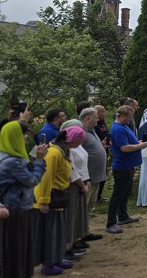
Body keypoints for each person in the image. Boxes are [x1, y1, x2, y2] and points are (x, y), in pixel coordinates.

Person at [34, 124, 86, 276]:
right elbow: (45, 177)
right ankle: (48, 263)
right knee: (51, 232)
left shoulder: (64, 151)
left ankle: (57, 258)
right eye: (79, 142)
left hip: (60, 197)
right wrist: (44, 200)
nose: (79, 145)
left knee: (59, 232)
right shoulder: (54, 154)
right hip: (51, 198)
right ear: (72, 141)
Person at [0, 116, 47, 278]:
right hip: (17, 211)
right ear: (14, 136)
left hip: (11, 208)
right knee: (17, 251)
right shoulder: (13, 162)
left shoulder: (4, 156)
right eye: (23, 135)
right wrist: (40, 160)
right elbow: (32, 180)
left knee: (11, 251)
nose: (25, 138)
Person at [107, 105, 146, 234]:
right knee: (117, 194)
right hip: (122, 166)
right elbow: (124, 148)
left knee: (125, 192)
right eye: (128, 118)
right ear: (122, 116)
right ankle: (111, 222)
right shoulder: (118, 129)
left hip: (128, 165)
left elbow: (129, 142)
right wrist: (139, 146)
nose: (130, 121)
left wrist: (136, 142)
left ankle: (123, 216)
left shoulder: (123, 127)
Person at [59, 119, 90, 261]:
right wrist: (82, 184)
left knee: (77, 215)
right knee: (70, 217)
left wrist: (86, 180)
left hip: (80, 182)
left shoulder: (74, 147)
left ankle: (73, 243)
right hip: (73, 184)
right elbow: (71, 169)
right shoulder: (66, 150)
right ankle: (66, 249)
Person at [78, 107, 105, 241]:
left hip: (96, 176)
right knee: (83, 207)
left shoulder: (92, 130)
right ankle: (79, 235)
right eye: (95, 117)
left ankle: (85, 231)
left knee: (90, 206)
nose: (98, 119)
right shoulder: (81, 132)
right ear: (87, 119)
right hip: (88, 177)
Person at [93, 105, 110, 202]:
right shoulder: (95, 124)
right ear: (97, 112)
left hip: (105, 150)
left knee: (104, 174)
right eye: (103, 111)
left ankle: (99, 196)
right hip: (98, 151)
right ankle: (95, 196)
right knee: (98, 176)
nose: (105, 113)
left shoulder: (102, 122)